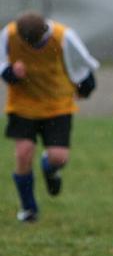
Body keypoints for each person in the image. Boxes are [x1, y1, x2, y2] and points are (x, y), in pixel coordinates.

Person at [0, 11, 99, 222]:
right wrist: (11, 73)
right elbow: (1, 65)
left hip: (57, 106)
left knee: (58, 157)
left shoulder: (64, 36)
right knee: (23, 154)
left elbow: (83, 65)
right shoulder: (8, 35)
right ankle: (29, 209)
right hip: (23, 105)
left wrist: (86, 88)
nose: (37, 49)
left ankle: (50, 168)